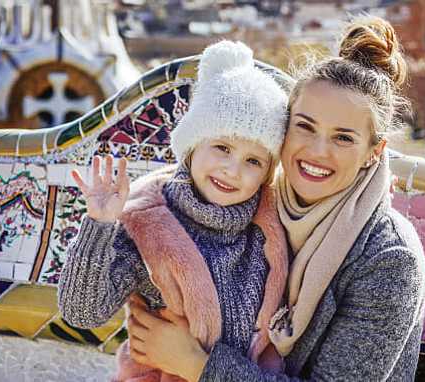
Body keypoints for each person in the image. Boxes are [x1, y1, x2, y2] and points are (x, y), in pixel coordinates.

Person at [126, 16, 425, 382]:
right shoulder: (252, 203)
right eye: (305, 126)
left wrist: (195, 364)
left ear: (373, 152)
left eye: (343, 138)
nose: (317, 151)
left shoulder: (389, 259)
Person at [57, 40, 291, 381]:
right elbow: (82, 312)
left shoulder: (269, 228)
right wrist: (99, 225)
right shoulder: (149, 225)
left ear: (268, 173)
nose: (232, 170)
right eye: (222, 147)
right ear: (193, 146)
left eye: (253, 161)